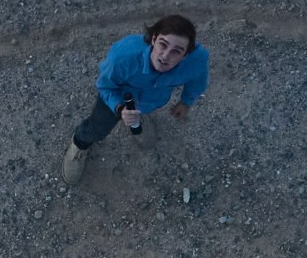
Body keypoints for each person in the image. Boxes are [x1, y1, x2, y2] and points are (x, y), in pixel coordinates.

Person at [60, 14, 209, 183]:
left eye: (176, 51)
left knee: (143, 111)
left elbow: (198, 80)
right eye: (163, 45)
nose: (166, 56)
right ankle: (80, 143)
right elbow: (105, 86)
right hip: (117, 98)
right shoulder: (124, 57)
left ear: (186, 55)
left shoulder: (197, 59)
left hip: (150, 100)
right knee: (98, 128)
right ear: (153, 39)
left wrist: (186, 101)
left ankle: (137, 120)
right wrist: (119, 108)